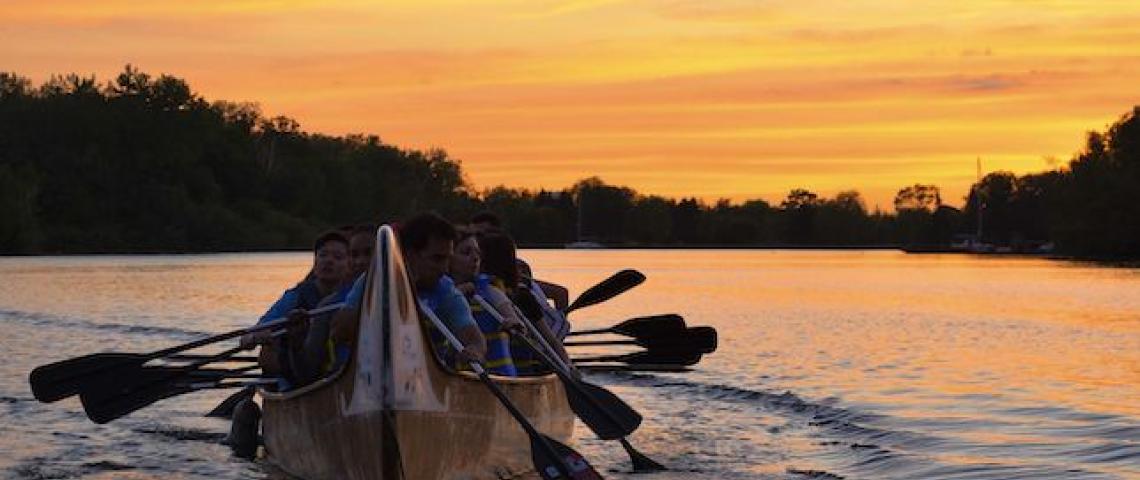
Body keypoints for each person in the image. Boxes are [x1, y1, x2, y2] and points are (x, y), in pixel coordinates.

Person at [331, 213, 487, 366]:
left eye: (447, 259)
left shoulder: (444, 288)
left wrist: (475, 351)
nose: (444, 268)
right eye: (437, 259)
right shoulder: (373, 279)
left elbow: (474, 337)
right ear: (411, 255)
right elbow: (338, 334)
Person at [240, 230, 351, 383]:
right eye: (323, 255)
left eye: (338, 257)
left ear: (349, 264)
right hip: (296, 379)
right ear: (315, 262)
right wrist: (254, 337)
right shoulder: (296, 296)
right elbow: (252, 333)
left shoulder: (354, 294)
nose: (329, 261)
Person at [476, 228, 573, 374]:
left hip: (522, 371)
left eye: (477, 256)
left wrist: (568, 366)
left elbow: (551, 341)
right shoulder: (472, 293)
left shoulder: (521, 297)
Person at [449, 227, 524, 376]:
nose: (475, 258)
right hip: (461, 378)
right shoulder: (440, 295)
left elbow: (509, 313)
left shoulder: (490, 291)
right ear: (449, 258)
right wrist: (459, 292)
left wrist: (513, 322)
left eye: (478, 253)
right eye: (466, 252)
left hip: (499, 378)